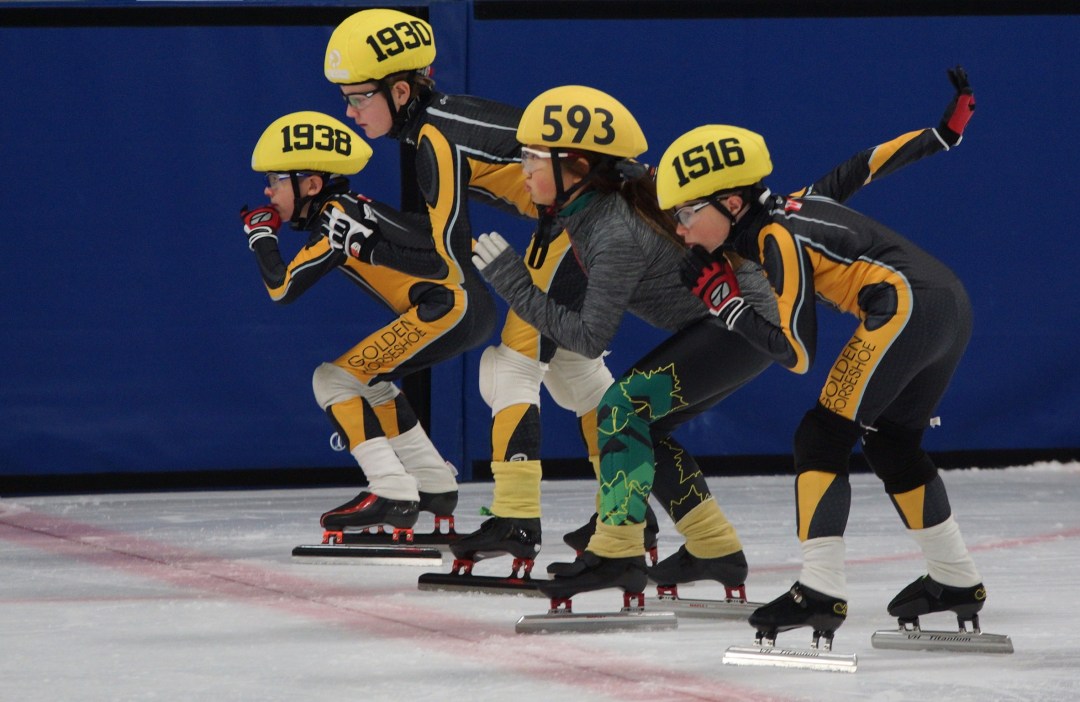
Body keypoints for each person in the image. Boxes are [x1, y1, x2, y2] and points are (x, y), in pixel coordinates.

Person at [473, 73, 976, 602]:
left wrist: (513, 284)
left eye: (531, 156)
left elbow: (589, 335)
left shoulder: (611, 229)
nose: (521, 167)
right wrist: (940, 136)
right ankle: (713, 548)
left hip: (739, 326)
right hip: (724, 322)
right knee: (647, 425)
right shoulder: (596, 209)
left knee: (620, 409)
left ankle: (619, 551)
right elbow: (853, 172)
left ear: (575, 166)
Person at [656, 68, 982, 646]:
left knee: (821, 437)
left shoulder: (777, 237)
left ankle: (820, 591)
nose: (681, 230)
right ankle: (956, 579)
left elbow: (797, 351)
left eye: (685, 213)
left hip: (904, 307)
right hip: (949, 304)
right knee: (890, 442)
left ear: (730, 202)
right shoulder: (800, 202)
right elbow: (865, 164)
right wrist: (943, 134)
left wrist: (724, 301)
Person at [323, 8, 628, 569]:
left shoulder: (435, 137)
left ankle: (516, 518)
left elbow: (446, 253)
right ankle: (628, 512)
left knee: (508, 367)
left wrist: (369, 240)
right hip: (591, 224)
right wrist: (375, 230)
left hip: (580, 227)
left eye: (357, 96)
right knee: (575, 374)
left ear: (397, 90)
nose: (348, 110)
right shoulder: (442, 119)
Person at [242, 110, 484, 533]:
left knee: (331, 380)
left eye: (276, 179)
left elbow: (282, 289)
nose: (267, 190)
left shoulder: (337, 219)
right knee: (368, 381)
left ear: (311, 184)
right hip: (461, 303)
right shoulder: (347, 209)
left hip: (448, 305)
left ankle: (391, 489)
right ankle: (433, 483)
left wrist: (262, 238)